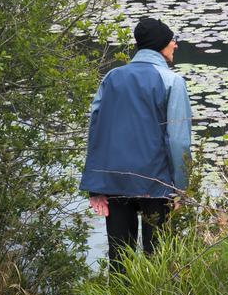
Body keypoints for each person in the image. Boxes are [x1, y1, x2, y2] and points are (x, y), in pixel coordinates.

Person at [80, 17, 192, 272]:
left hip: (115, 182)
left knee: (120, 262)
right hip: (158, 185)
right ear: (160, 45)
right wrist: (181, 189)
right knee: (160, 261)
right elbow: (178, 141)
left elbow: (96, 131)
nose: (175, 44)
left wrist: (95, 187)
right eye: (172, 39)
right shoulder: (172, 81)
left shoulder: (111, 77)